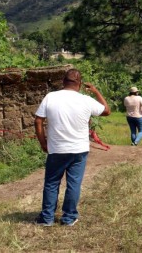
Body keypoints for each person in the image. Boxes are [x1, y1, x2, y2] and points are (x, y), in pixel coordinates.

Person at [34, 68, 111, 226]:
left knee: (51, 183)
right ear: (80, 84)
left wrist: (43, 143)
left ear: (63, 82)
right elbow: (107, 111)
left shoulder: (51, 97)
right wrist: (95, 91)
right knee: (73, 183)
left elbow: (38, 121)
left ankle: (47, 218)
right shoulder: (85, 100)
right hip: (79, 150)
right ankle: (68, 218)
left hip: (56, 149)